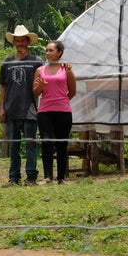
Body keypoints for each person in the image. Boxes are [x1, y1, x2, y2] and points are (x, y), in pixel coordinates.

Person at [0, 25, 43, 186]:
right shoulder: (7, 63)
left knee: (31, 145)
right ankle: (14, 177)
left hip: (30, 110)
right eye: (17, 40)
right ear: (14, 42)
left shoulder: (37, 61)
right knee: (14, 147)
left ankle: (31, 177)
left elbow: (45, 80)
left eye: (23, 40)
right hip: (11, 110)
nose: (20, 43)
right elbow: (3, 87)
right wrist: (2, 108)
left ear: (28, 42)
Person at [33, 40, 76, 184]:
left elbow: (73, 91)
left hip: (63, 112)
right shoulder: (40, 70)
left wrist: (61, 101)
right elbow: (35, 92)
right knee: (47, 143)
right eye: (46, 50)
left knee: (62, 144)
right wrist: (40, 87)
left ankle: (61, 178)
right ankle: (48, 177)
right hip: (45, 112)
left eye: (51, 50)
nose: (47, 53)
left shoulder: (67, 70)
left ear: (60, 53)